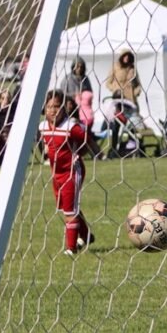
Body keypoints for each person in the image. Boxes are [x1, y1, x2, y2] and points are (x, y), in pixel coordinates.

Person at [38, 89, 95, 256]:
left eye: (57, 106)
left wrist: (79, 154)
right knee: (67, 208)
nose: (53, 110)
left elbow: (87, 140)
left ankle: (71, 249)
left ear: (64, 108)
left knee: (70, 211)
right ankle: (86, 235)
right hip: (56, 174)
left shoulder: (71, 127)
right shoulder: (42, 127)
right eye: (49, 107)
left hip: (72, 172)